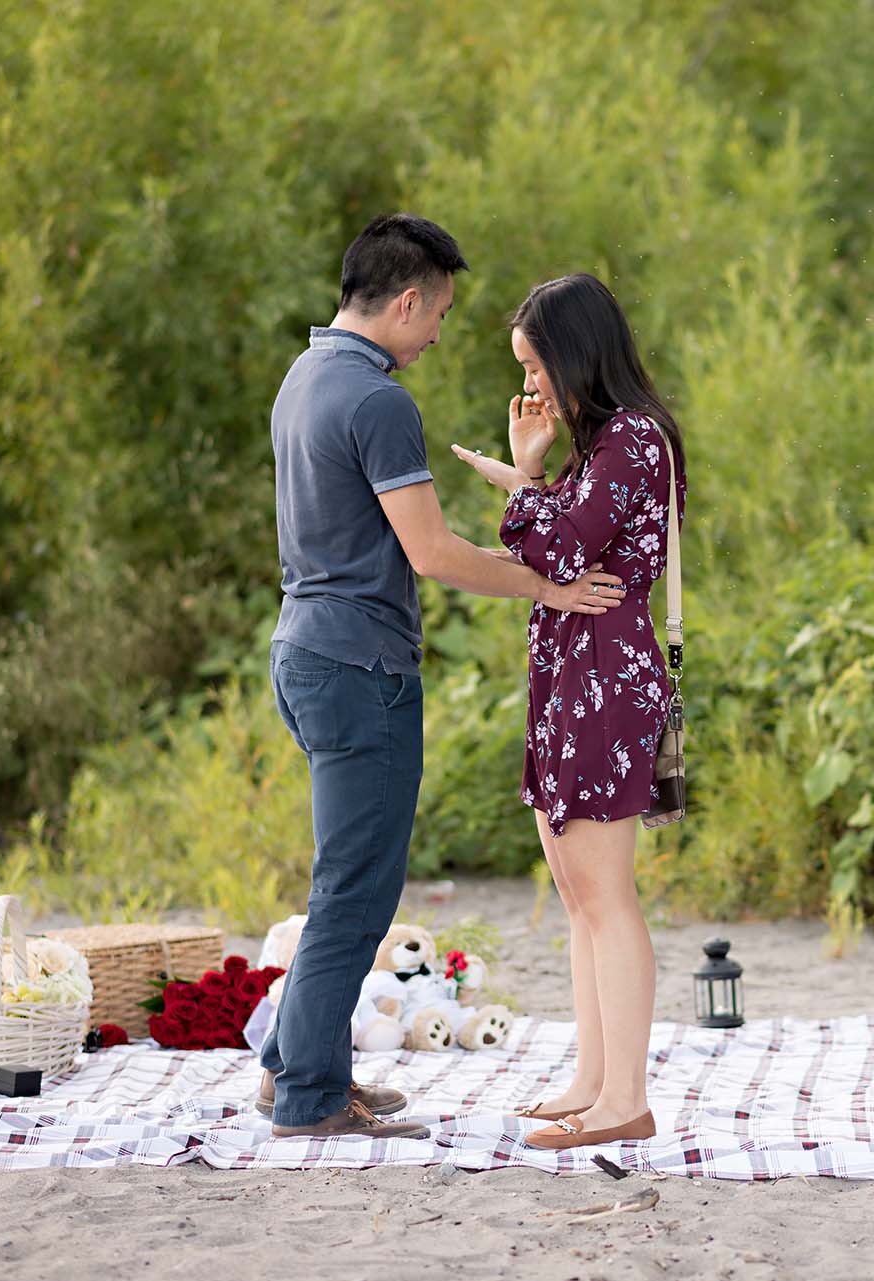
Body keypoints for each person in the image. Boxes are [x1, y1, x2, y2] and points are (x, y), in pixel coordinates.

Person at [259, 218, 627, 1139]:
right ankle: (308, 1096)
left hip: (301, 648)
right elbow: (431, 551)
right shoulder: (376, 402)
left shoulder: (304, 378)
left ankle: (293, 1068)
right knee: (357, 887)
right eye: (442, 315)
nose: (437, 335)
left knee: (341, 877)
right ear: (408, 299)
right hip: (359, 664)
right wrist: (551, 585)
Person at [449, 272, 687, 1151]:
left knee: (604, 894)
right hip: (572, 670)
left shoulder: (633, 441)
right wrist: (536, 479)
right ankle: (594, 1079)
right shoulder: (607, 446)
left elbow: (551, 543)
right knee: (577, 893)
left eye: (536, 364)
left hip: (605, 677)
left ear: (576, 350)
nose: (532, 383)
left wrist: (523, 477)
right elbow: (553, 550)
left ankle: (624, 1098)